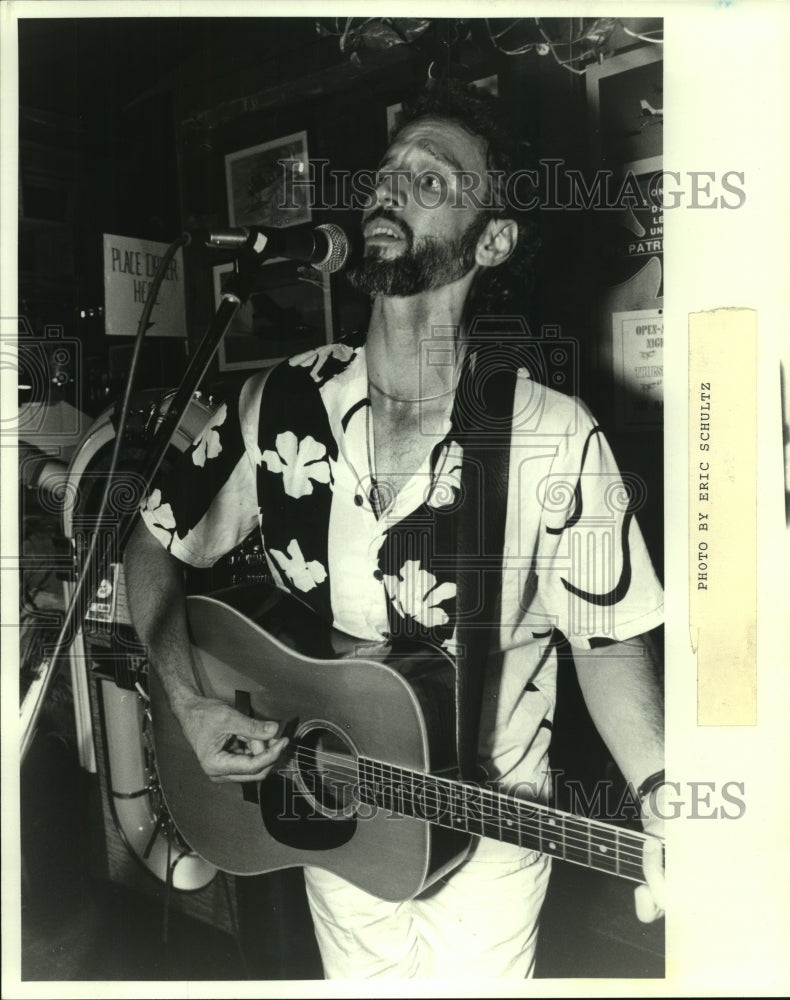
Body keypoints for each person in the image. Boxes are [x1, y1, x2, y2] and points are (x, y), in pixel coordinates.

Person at [124, 78, 665, 979]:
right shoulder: (279, 401)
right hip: (330, 801)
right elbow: (152, 545)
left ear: (491, 240)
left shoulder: (552, 435)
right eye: (385, 172)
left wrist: (658, 794)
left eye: (429, 178)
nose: (387, 187)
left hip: (492, 836)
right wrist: (187, 697)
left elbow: (604, 643)